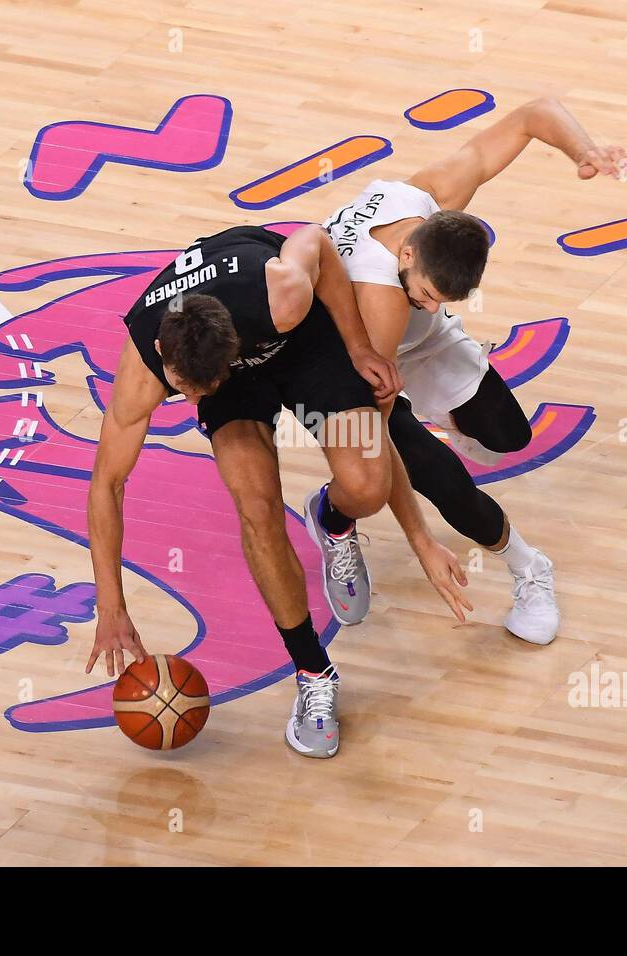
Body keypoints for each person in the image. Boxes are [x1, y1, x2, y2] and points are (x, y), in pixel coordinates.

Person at [313, 95, 627, 645]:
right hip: (349, 365)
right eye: (431, 295)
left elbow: (534, 113)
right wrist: (420, 540)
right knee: (441, 480)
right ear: (407, 255)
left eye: (447, 298)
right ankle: (527, 567)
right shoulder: (381, 297)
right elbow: (375, 419)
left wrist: (586, 150)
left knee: (509, 435)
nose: (435, 305)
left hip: (411, 346)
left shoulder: (423, 200)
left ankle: (444, 420)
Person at [86, 224, 398, 759]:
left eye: (194, 393)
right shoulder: (145, 362)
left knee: (368, 487)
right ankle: (311, 669)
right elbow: (108, 484)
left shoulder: (282, 293)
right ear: (163, 352)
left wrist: (359, 345)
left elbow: (316, 240)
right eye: (182, 390)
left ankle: (334, 519)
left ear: (229, 352)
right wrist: (110, 604)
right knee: (256, 507)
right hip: (236, 381)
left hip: (298, 346)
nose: (186, 404)